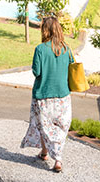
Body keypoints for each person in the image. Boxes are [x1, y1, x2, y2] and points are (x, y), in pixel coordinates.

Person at [21, 15, 73, 172]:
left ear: (45, 30)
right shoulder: (67, 49)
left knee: (44, 126)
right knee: (59, 127)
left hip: (43, 95)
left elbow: (37, 72)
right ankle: (47, 153)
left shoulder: (40, 49)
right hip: (63, 96)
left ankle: (57, 160)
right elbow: (71, 69)